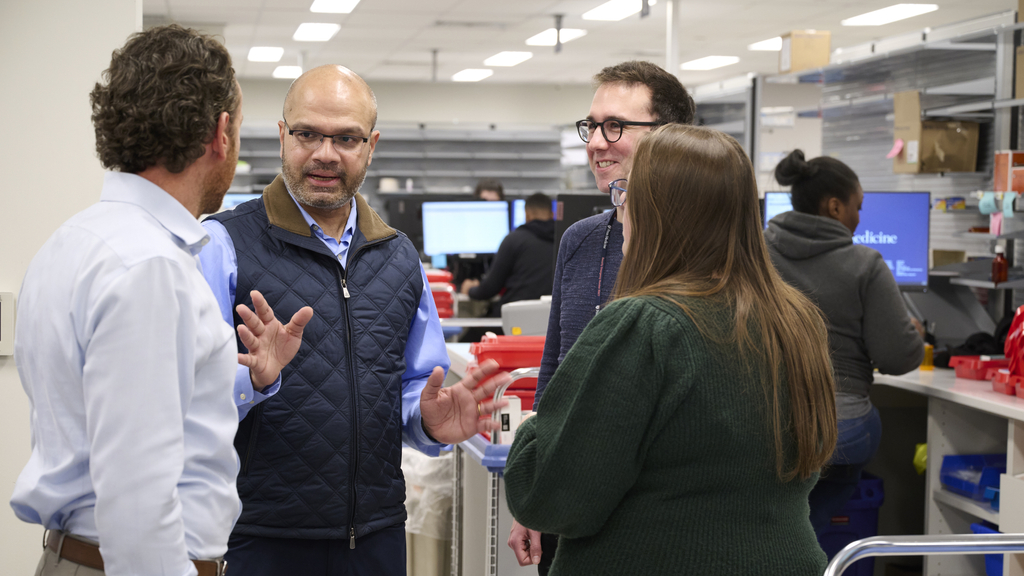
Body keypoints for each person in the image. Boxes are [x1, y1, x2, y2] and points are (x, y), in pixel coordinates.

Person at [11, 25, 313, 576]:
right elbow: (137, 501)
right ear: (220, 133)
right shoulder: (149, 267)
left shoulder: (77, 241)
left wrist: (250, 377)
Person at [198, 64, 511, 576]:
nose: (325, 153)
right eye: (307, 134)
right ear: (282, 136)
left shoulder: (398, 256)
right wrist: (251, 381)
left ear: (371, 146)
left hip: (375, 537)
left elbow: (412, 385)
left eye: (346, 137)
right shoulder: (222, 244)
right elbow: (182, 399)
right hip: (258, 535)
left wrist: (425, 421)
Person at [503, 124, 838, 576]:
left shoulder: (642, 327)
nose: (621, 210)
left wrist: (530, 429)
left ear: (657, 212)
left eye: (627, 194)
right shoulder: (798, 321)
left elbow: (552, 498)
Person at [507, 60, 695, 573]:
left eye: (616, 126)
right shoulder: (582, 240)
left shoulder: (708, 249)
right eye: (592, 126)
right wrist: (534, 497)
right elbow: (555, 370)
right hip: (569, 496)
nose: (595, 142)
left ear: (671, 137)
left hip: (660, 513)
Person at [765, 149, 925, 532]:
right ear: (835, 207)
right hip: (841, 430)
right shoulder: (865, 264)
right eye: (858, 207)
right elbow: (898, 358)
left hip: (764, 422)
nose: (858, 218)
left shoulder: (755, 251)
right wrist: (912, 334)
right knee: (814, 521)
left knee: (781, 524)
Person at [461, 192, 555, 316]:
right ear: (552, 214)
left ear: (527, 215)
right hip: (549, 320)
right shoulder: (565, 240)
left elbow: (489, 290)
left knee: (471, 331)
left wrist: (470, 290)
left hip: (514, 318)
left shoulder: (514, 240)